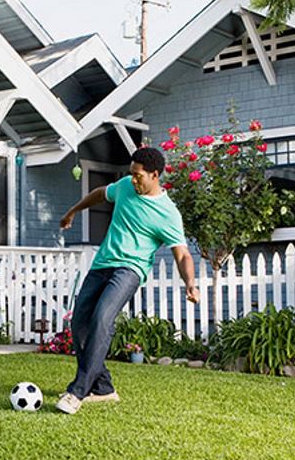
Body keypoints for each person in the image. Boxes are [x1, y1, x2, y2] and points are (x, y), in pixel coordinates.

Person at [55, 146, 200, 415]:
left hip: (129, 270)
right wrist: (73, 211)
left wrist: (190, 283)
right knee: (79, 325)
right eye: (131, 174)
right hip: (101, 265)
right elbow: (100, 194)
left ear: (155, 175)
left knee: (102, 320)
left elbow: (182, 255)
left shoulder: (168, 213)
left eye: (138, 176)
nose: (133, 180)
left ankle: (78, 392)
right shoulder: (124, 186)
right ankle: (104, 389)